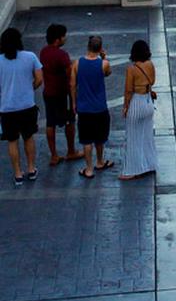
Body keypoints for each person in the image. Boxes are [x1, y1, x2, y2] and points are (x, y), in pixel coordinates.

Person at [0, 27, 42, 185]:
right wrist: (29, 88)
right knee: (29, 137)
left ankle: (18, 173)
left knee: (12, 141)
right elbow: (39, 79)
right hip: (27, 105)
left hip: (7, 108)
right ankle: (31, 169)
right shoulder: (30, 57)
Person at [39, 23, 82, 166]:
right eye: (64, 36)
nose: (65, 38)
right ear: (58, 39)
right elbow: (70, 74)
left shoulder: (44, 52)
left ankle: (54, 155)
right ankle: (71, 151)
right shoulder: (62, 55)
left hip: (48, 92)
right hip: (62, 93)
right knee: (70, 120)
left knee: (50, 123)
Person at [71, 36, 112, 178]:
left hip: (84, 108)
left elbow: (72, 85)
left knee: (86, 140)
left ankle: (88, 169)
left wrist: (74, 103)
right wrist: (104, 58)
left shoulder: (77, 64)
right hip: (100, 107)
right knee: (99, 138)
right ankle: (100, 161)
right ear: (100, 48)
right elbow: (108, 73)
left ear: (88, 46)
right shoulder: (104, 64)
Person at [120, 40, 157, 181]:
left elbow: (128, 90)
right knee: (146, 136)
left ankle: (133, 169)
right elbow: (152, 82)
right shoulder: (150, 65)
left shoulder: (132, 69)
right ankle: (149, 164)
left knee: (133, 137)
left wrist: (125, 107)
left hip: (136, 102)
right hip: (148, 102)